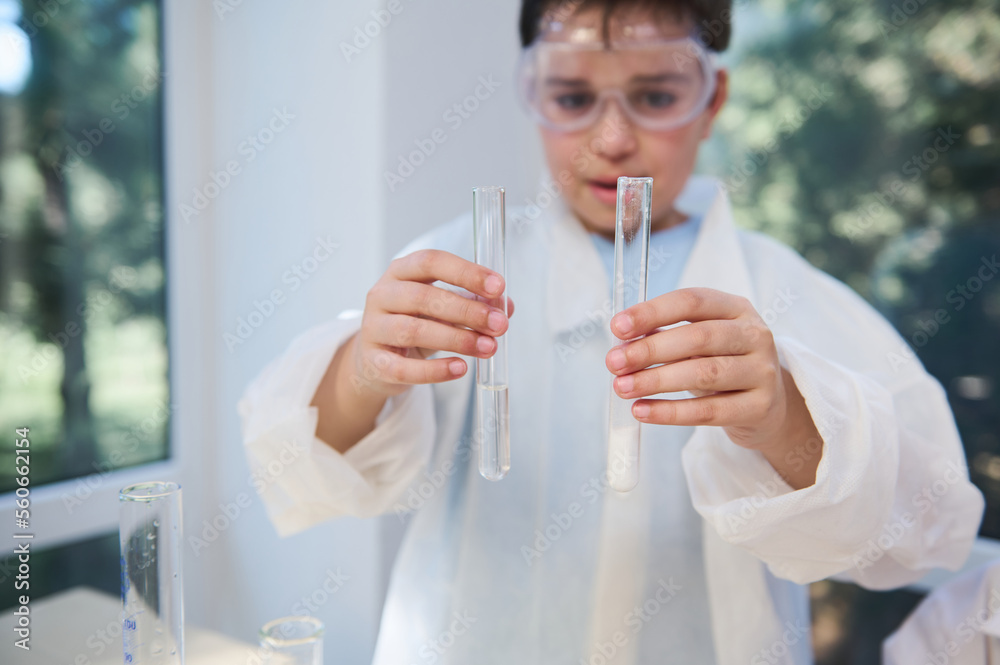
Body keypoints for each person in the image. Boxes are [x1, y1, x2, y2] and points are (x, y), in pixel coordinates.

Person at [238, 1, 985, 662]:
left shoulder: (782, 293)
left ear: (712, 97)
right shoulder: (457, 269)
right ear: (532, 95)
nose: (613, 137)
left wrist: (784, 413)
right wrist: (362, 371)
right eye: (572, 96)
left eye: (657, 95)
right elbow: (300, 466)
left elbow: (928, 524)